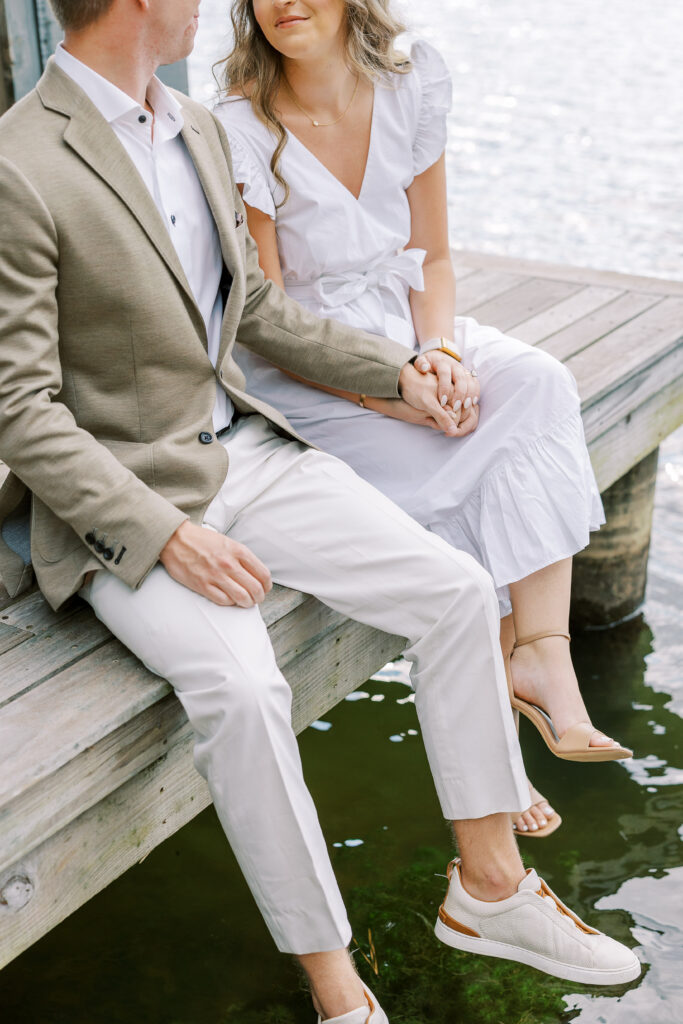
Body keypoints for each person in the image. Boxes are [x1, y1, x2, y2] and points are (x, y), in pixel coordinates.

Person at [0, 1, 639, 1021]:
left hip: (247, 451)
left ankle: (487, 890)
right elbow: (18, 410)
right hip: (121, 507)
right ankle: (338, 989)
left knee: (455, 590)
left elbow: (256, 310)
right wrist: (166, 534)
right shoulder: (19, 163)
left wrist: (399, 372)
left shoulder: (197, 127)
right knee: (246, 693)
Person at [213, 0, 632, 840]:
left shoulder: (411, 84)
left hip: (408, 329)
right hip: (315, 375)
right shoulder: (241, 128)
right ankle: (500, 756)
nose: (283, 2)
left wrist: (437, 352)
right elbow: (270, 320)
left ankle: (540, 654)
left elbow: (433, 256)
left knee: (537, 386)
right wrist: (387, 390)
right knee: (453, 463)